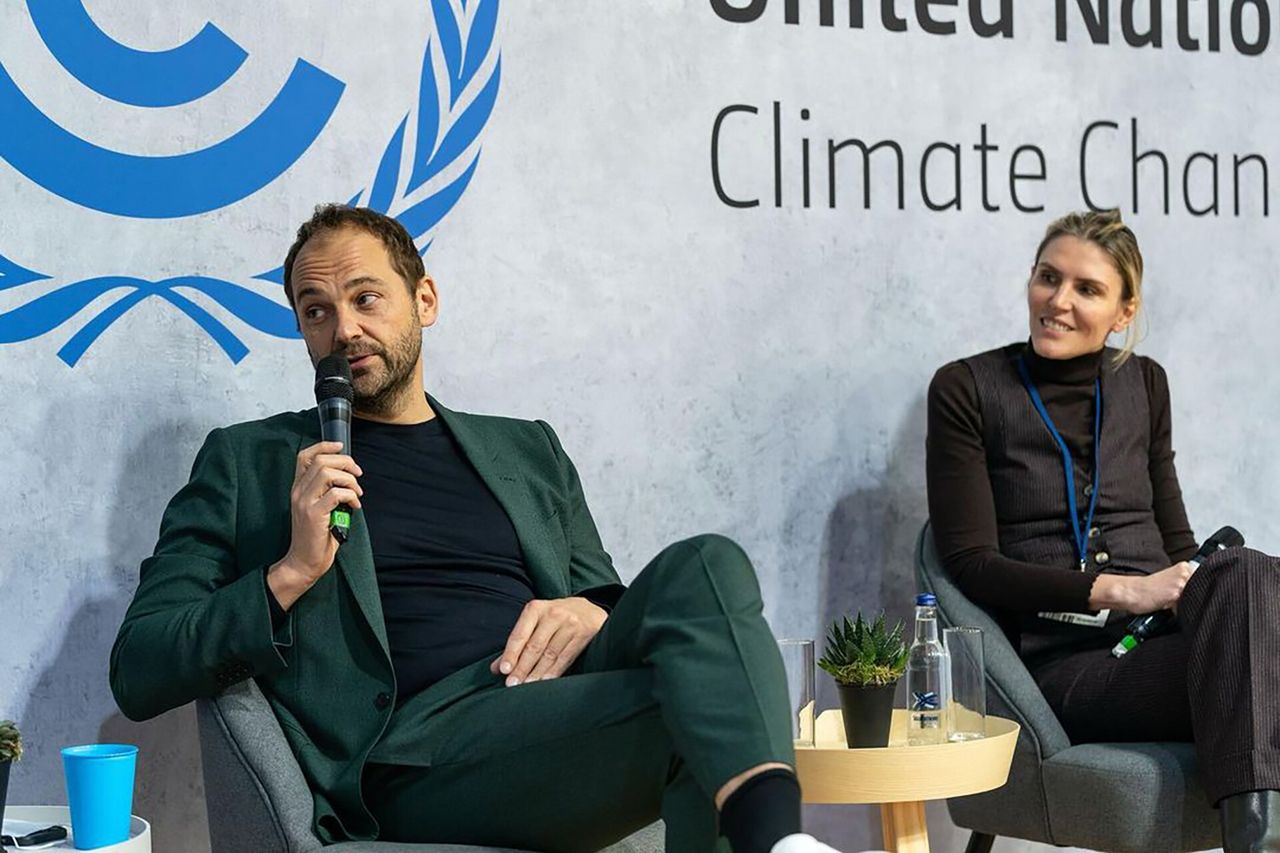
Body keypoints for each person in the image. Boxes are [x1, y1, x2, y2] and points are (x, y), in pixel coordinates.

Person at [109, 205, 842, 853]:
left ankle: (778, 839)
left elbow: (607, 597)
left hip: (552, 693)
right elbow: (140, 664)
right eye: (316, 311)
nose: (344, 330)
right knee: (692, 713)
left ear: (424, 299)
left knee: (706, 563)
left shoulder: (527, 449)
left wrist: (593, 610)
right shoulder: (249, 462)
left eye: (365, 298)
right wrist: (291, 572)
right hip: (417, 751)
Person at [926, 208, 1280, 851]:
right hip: (1071, 668)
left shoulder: (1144, 383)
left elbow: (1177, 539)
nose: (1057, 301)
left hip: (1167, 644)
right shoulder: (967, 389)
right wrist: (1121, 590)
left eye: (1086, 289)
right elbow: (970, 562)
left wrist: (1199, 584)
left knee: (1250, 569)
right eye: (1047, 277)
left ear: (1123, 311)